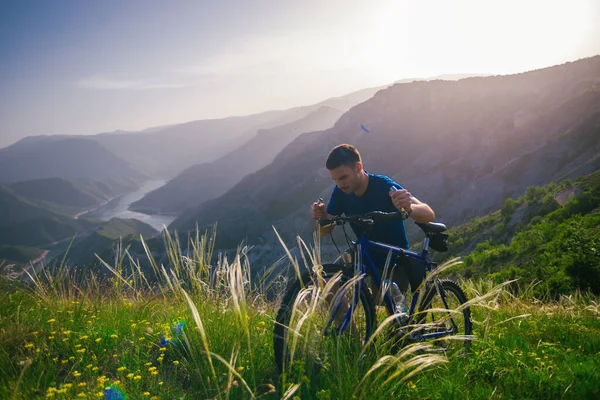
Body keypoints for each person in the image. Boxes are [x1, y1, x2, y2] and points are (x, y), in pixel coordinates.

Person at [310, 143, 435, 312]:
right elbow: (324, 231)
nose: (339, 184)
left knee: (388, 306)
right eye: (335, 180)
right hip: (363, 252)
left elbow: (428, 214)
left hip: (393, 259)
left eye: (343, 177)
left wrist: (408, 207)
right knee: (328, 284)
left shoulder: (383, 186)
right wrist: (322, 218)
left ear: (358, 167)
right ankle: (355, 337)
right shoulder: (341, 192)